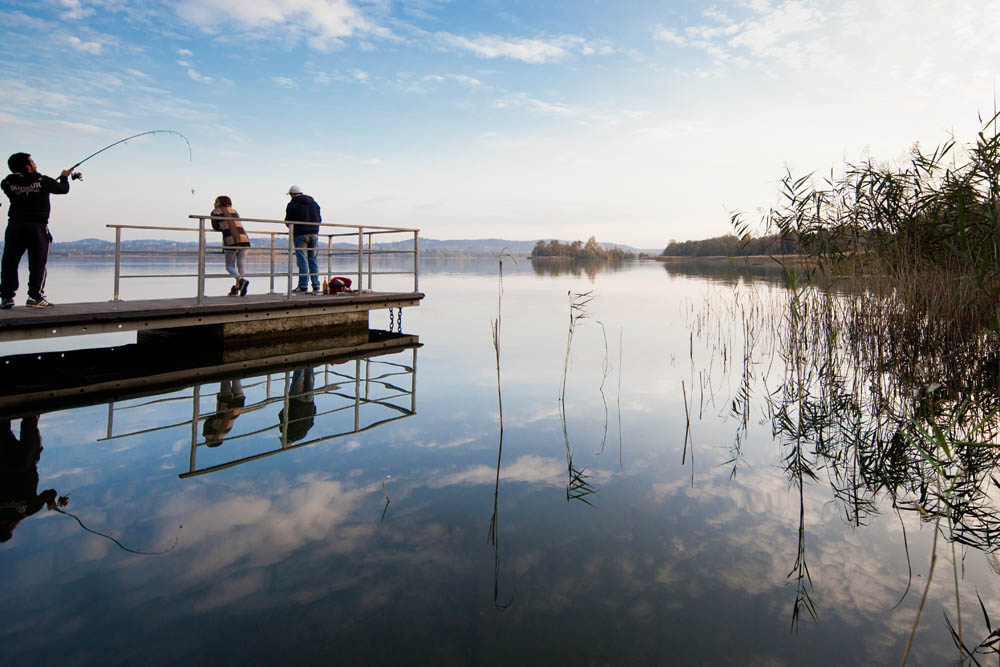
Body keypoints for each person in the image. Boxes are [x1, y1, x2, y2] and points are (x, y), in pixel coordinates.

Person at [0, 153, 72, 309]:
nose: (35, 163)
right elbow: (62, 189)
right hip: (36, 227)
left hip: (14, 226)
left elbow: (24, 188)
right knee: (38, 263)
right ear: (27, 166)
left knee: (9, 263)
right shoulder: (42, 181)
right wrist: (64, 177)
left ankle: (6, 297)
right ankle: (35, 297)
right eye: (32, 162)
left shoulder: (6, 183)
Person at [0, 414, 68, 543]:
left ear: (10, 527)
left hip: (26, 463)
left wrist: (51, 503)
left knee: (30, 422)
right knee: (3, 427)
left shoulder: (29, 510)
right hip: (3, 464)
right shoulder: (28, 510)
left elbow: (49, 493)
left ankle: (30, 407)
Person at [284, 185, 322, 293]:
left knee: (302, 260)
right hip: (314, 234)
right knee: (313, 259)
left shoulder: (292, 204)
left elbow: (288, 220)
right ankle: (316, 285)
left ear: (292, 194)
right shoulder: (314, 203)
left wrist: (293, 228)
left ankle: (303, 285)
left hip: (300, 234)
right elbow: (319, 219)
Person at [211, 196, 251, 296]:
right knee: (241, 264)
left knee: (229, 266)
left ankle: (241, 281)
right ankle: (238, 287)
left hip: (231, 240)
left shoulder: (216, 211)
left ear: (221, 203)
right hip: (244, 239)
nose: (214, 203)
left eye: (216, 201)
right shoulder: (234, 211)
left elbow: (216, 226)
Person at [202, 378, 246, 447]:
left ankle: (234, 367)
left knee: (236, 379)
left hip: (238, 407)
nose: (205, 440)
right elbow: (208, 421)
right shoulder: (208, 434)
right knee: (225, 378)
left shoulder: (226, 432)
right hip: (225, 405)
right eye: (206, 442)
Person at [278, 367, 316, 443]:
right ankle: (300, 360)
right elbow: (282, 415)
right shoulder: (285, 431)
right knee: (298, 377)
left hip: (309, 403)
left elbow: (312, 421)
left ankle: (310, 360)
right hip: (295, 402)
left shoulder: (304, 432)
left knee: (309, 377)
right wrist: (286, 406)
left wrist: (313, 407)